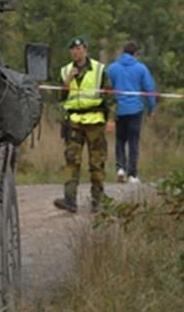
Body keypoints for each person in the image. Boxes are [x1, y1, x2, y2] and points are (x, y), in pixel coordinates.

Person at [54, 36, 116, 213]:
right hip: (74, 122)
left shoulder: (99, 69)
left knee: (97, 163)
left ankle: (97, 200)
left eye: (79, 48)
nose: (76, 52)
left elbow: (110, 96)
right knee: (71, 161)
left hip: (95, 122)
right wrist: (67, 81)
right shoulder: (66, 70)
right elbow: (60, 96)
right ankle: (69, 199)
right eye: (73, 49)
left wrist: (111, 119)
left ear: (86, 50)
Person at [106, 40, 156, 184]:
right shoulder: (141, 68)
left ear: (123, 52)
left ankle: (120, 167)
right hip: (135, 109)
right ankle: (132, 174)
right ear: (135, 53)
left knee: (120, 140)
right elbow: (149, 88)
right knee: (133, 142)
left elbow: (107, 88)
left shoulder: (112, 68)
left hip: (119, 110)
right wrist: (151, 108)